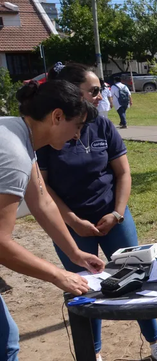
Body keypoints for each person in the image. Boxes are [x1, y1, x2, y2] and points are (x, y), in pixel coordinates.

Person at [38, 63, 157, 361]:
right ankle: (93, 352)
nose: (101, 95)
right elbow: (42, 188)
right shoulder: (51, 130)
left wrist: (118, 213)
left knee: (137, 277)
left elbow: (123, 173)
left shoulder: (103, 125)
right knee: (83, 288)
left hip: (113, 218)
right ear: (73, 93)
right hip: (72, 224)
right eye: (95, 90)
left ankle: (155, 342)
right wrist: (73, 221)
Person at [0, 80, 105, 360]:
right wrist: (58, 275)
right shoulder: (13, 154)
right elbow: (0, 243)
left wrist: (75, 253)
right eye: (77, 126)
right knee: (4, 345)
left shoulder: (18, 133)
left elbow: (42, 201)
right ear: (57, 116)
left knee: (5, 341)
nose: (77, 136)